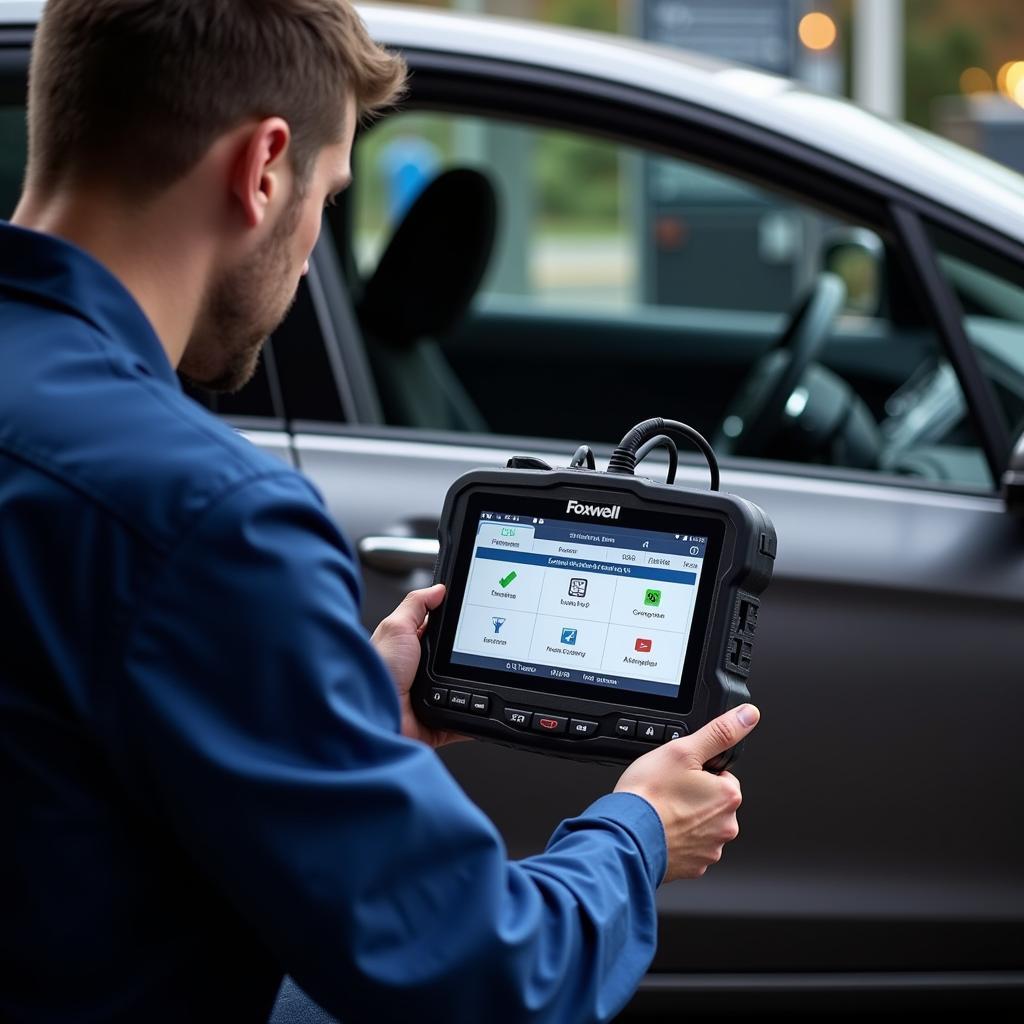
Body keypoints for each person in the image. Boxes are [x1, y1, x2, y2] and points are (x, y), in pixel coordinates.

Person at [0, 2, 760, 1021]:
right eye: (329, 195)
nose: (312, 248)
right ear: (264, 168)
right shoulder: (206, 517)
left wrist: (333, 707)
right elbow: (485, 975)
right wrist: (635, 833)